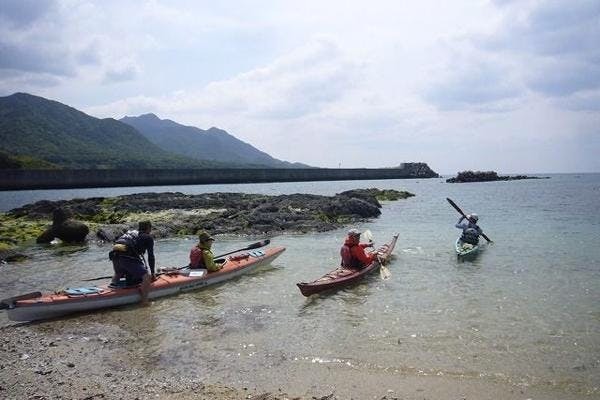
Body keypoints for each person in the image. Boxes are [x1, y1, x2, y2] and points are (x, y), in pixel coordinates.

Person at [110, 220, 155, 304]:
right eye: (150, 228)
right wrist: (152, 273)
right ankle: (145, 302)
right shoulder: (147, 237)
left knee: (119, 273)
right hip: (126, 257)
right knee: (146, 277)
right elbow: (151, 256)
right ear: (149, 228)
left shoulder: (132, 233)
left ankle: (112, 288)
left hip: (114, 254)